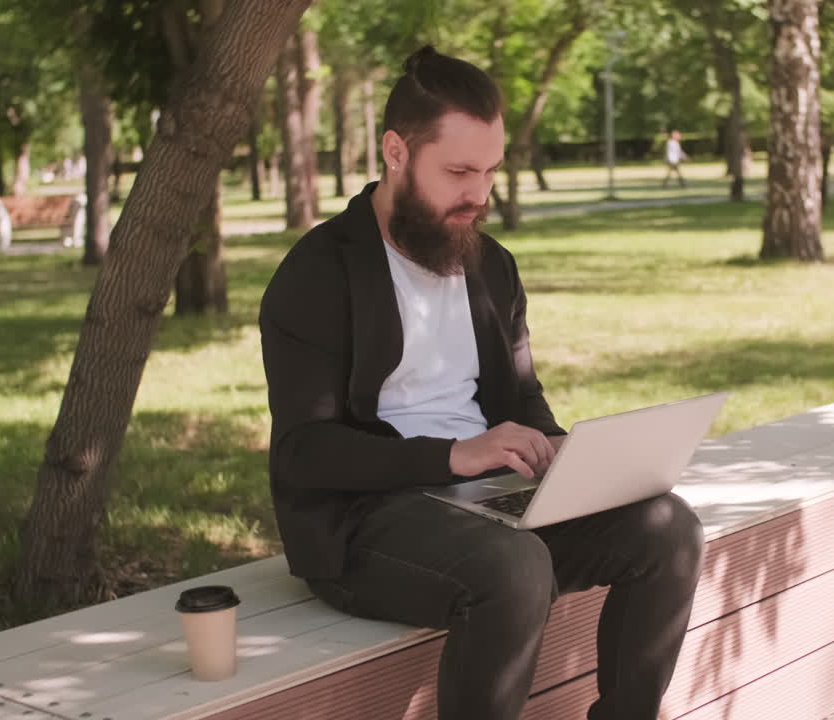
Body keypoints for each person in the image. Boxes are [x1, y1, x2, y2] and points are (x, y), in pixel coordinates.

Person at [258, 46, 705, 720]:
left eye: (491, 171)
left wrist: (560, 451)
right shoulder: (318, 273)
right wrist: (453, 456)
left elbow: (519, 396)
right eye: (459, 172)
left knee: (668, 528)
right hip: (365, 520)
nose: (479, 194)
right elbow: (305, 453)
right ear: (396, 152)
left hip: (490, 500)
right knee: (516, 567)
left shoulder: (489, 264)